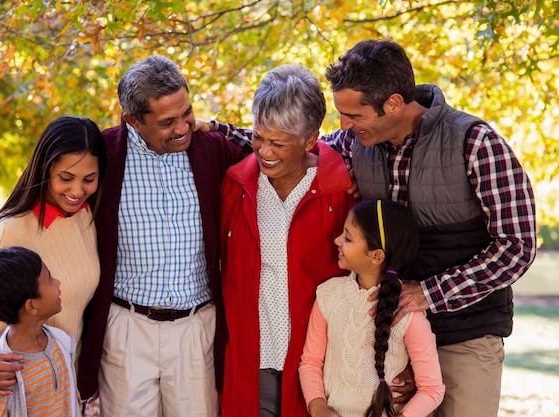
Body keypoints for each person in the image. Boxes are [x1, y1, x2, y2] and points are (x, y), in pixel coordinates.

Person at [210, 39, 537, 417]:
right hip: (383, 338)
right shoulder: (357, 142)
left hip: (462, 331)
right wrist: (213, 130)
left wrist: (429, 293)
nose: (344, 125)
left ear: (393, 104)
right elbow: (291, 146)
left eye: (353, 115)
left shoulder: (476, 144)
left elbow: (517, 246)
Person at [75, 55, 250, 417]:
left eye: (187, 112)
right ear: (133, 121)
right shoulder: (104, 154)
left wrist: (215, 125)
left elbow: (270, 147)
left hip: (196, 327)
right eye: (167, 122)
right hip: (126, 326)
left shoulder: (210, 147)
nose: (183, 127)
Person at [219, 64, 357, 417]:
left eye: (278, 142)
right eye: (258, 137)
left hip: (322, 363)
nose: (264, 151)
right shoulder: (236, 186)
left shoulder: (340, 190)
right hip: (254, 358)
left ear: (311, 139)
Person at [0, 116, 107, 401]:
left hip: (65, 383)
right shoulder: (12, 229)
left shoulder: (86, 217)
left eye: (89, 179)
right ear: (45, 169)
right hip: (23, 386)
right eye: (66, 178)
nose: (77, 191)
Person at [299, 200, 445, 417]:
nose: (337, 240)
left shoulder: (408, 314)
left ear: (376, 255)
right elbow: (310, 362)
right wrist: (318, 408)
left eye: (348, 238)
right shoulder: (328, 295)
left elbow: (432, 389)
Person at [0, 246, 81, 417]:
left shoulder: (61, 342)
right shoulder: (4, 374)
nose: (58, 282)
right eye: (50, 280)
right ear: (32, 306)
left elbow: (71, 399)